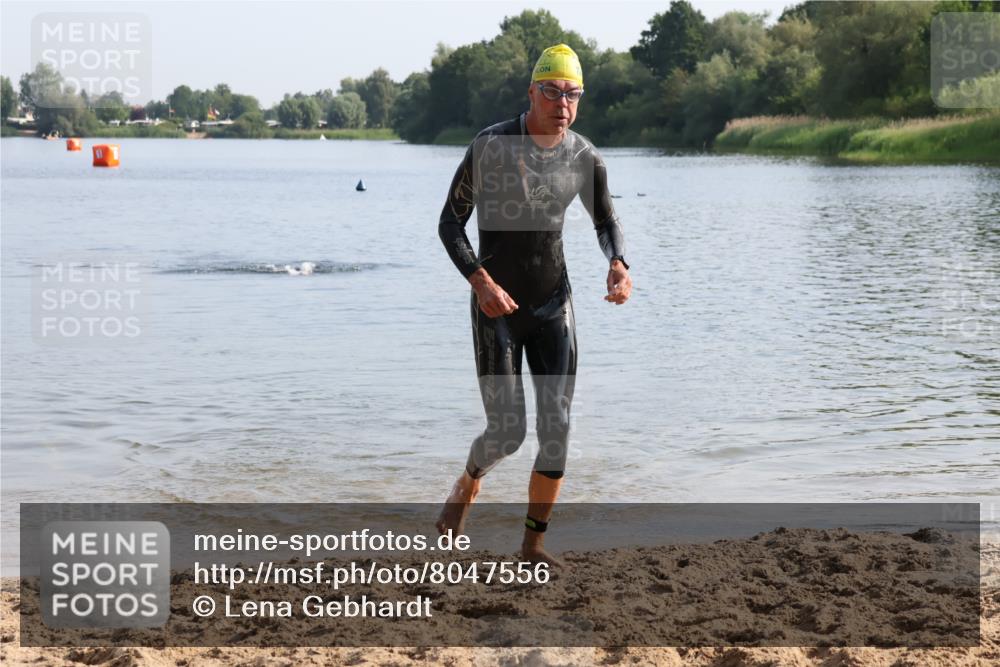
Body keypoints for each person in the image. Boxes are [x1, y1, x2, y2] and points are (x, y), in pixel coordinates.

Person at [435, 44, 632, 566]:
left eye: (572, 94)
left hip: (551, 306)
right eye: (551, 91)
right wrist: (480, 282)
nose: (562, 103)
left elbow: (606, 222)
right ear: (531, 92)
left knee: (557, 429)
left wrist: (619, 263)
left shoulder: (585, 157)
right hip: (496, 306)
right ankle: (467, 483)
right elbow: (449, 223)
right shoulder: (492, 146)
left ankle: (532, 545)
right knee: (507, 432)